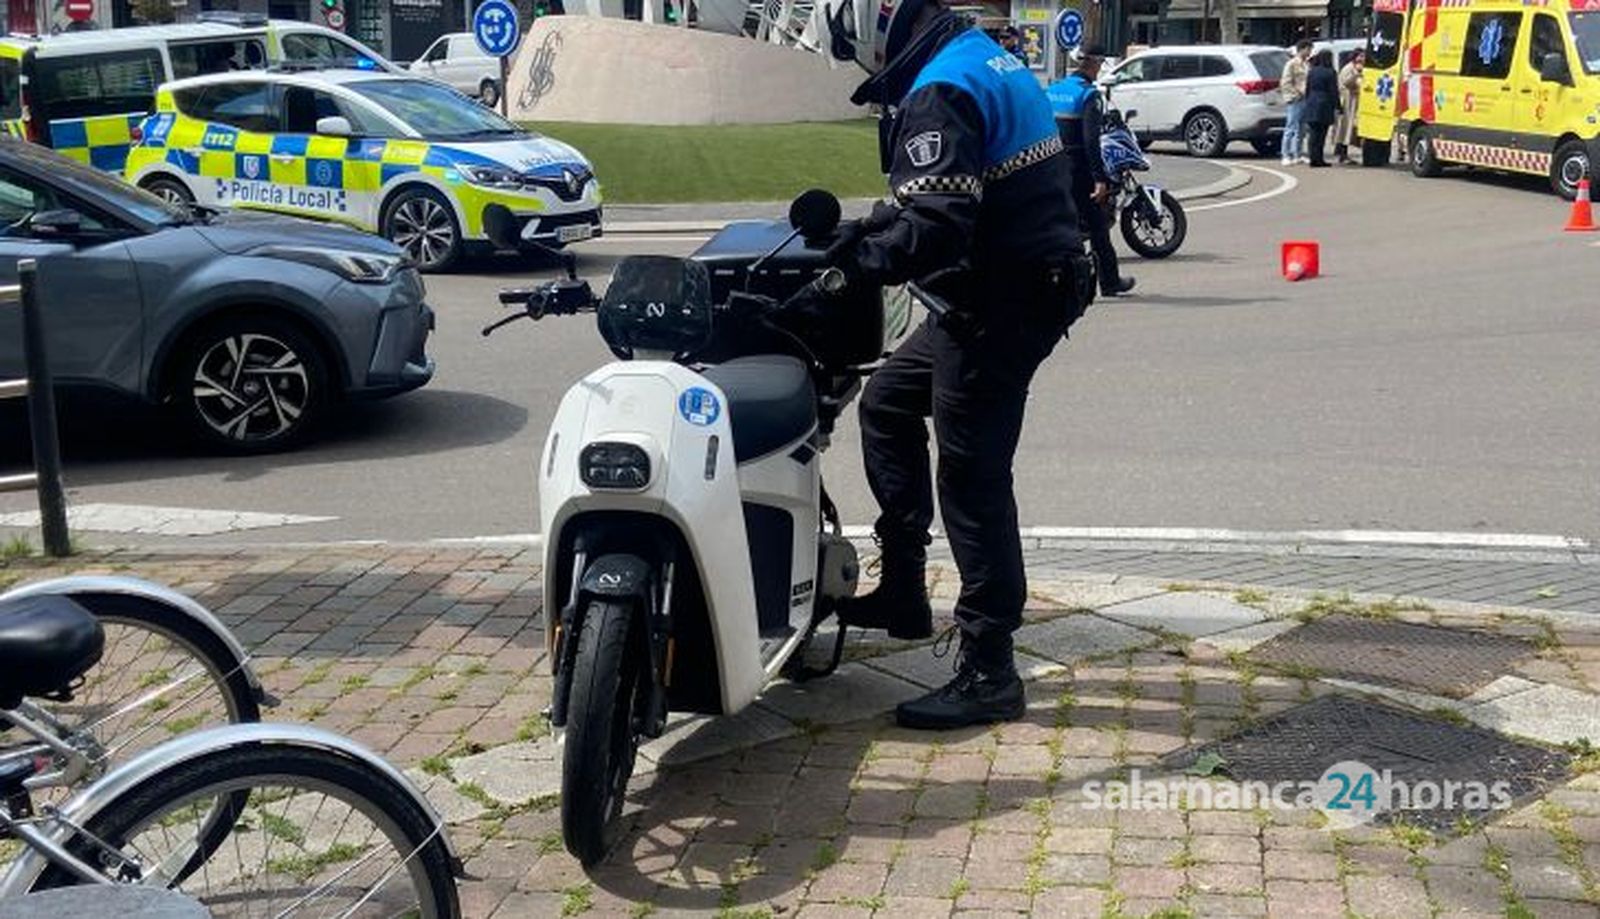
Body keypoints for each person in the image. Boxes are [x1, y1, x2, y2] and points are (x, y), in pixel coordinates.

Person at [809, 0, 1087, 729]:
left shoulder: (940, 88)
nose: (861, 66)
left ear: (873, 28)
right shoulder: (973, 54)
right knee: (888, 404)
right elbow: (952, 191)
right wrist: (869, 224)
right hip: (1013, 283)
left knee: (972, 473)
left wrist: (855, 264)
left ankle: (991, 666)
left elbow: (936, 228)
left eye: (853, 50)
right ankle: (903, 587)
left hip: (1001, 301)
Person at [1047, 45, 1135, 298]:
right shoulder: (1088, 95)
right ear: (1093, 64)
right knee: (1097, 228)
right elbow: (1090, 141)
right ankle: (1109, 282)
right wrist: (1099, 178)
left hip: (1052, 168)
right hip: (1079, 171)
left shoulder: (1053, 90)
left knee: (1059, 225)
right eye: (1100, 64)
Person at [1303, 50, 1339, 167]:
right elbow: (1334, 91)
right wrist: (1337, 106)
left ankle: (1313, 158)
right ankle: (1319, 158)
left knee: (1313, 134)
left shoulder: (1312, 71)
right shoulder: (1330, 72)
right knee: (1321, 134)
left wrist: (1308, 101)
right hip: (1325, 104)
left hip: (1312, 102)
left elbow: (1307, 89)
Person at [1280, 40, 1312, 166]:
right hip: (1296, 99)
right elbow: (1286, 82)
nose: (1309, 52)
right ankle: (1285, 154)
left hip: (1306, 98)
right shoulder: (1291, 64)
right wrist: (1296, 94)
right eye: (1308, 49)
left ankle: (1297, 154)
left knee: (1302, 128)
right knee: (1291, 126)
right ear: (1302, 49)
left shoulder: (1307, 64)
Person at [1334, 51, 1363, 164]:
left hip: (1353, 101)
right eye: (1360, 56)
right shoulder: (1348, 68)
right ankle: (1342, 154)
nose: (1362, 58)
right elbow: (1346, 82)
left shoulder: (1357, 68)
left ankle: (1342, 151)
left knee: (1348, 128)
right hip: (1347, 100)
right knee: (1344, 127)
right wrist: (1357, 74)